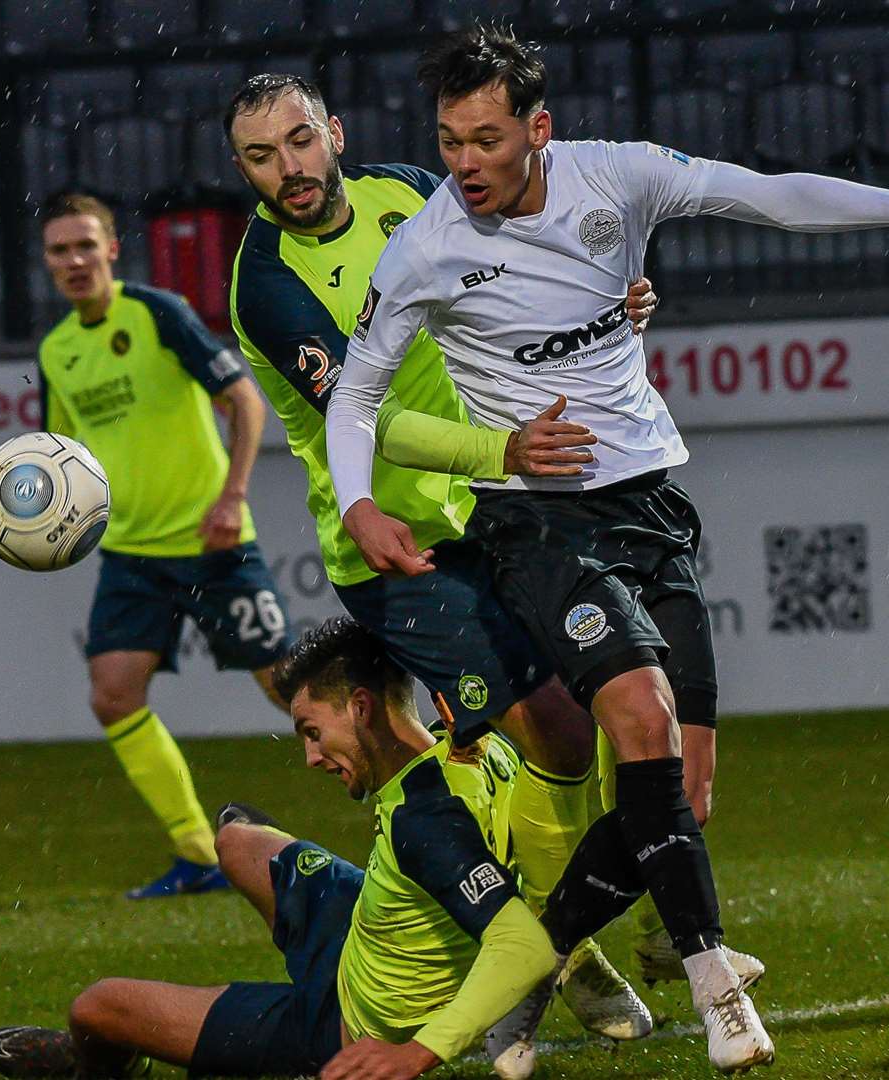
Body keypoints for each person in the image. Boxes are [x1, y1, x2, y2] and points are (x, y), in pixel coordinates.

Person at [323, 24, 889, 1072]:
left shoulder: (618, 179)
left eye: (484, 138)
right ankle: (714, 987)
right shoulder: (426, 245)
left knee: (680, 791)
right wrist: (355, 505)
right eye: (448, 140)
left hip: (649, 503)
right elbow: (357, 393)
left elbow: (771, 194)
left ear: (538, 129)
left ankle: (531, 974)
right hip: (533, 518)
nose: (464, 163)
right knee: (638, 714)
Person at [221, 72, 751, 1051]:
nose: (288, 169)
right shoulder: (265, 284)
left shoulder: (412, 193)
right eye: (261, 156)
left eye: (299, 141)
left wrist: (602, 298)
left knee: (590, 721)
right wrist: (495, 450)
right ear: (243, 169)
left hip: (502, 509)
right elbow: (363, 415)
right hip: (392, 541)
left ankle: (563, 939)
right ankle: (567, 956)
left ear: (332, 132)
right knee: (550, 721)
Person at [0, 616, 558, 1080]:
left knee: (97, 1009)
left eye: (312, 731)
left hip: (341, 1023)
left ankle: (102, 1064)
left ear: (360, 706)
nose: (310, 757)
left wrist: (418, 1053)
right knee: (235, 836)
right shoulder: (471, 745)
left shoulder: (424, 823)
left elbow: (524, 947)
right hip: (363, 933)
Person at [0, 193, 293, 901]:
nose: (73, 261)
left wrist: (233, 497)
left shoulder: (157, 312)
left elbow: (245, 401)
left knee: (291, 692)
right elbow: (56, 459)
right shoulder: (56, 351)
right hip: (133, 557)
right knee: (113, 697)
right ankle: (201, 855)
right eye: (58, 251)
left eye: (85, 246)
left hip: (214, 545)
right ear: (45, 262)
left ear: (112, 249)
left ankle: (410, 805)